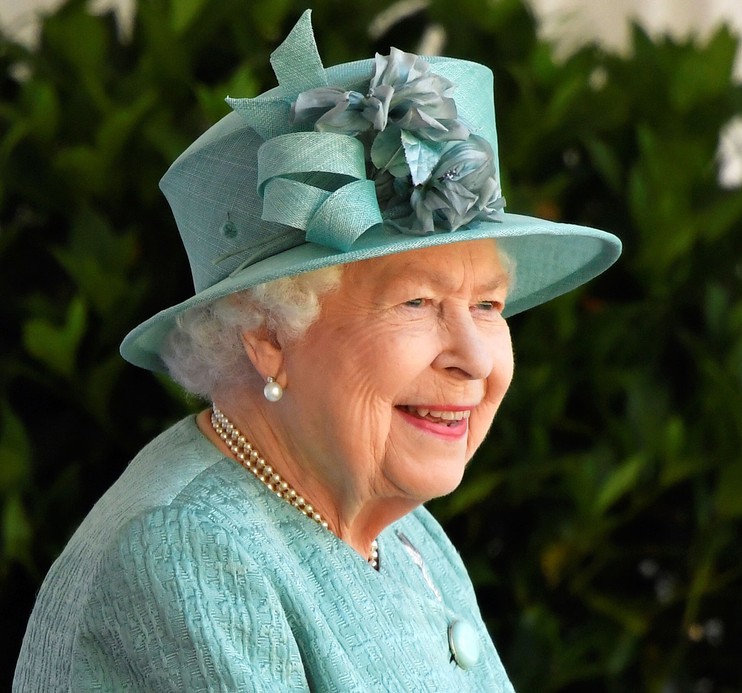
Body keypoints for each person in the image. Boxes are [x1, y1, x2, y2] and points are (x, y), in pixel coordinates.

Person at [13, 10, 620, 691]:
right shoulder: (191, 555)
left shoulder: (401, 528)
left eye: (488, 305)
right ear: (269, 336)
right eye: (417, 302)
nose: (475, 359)